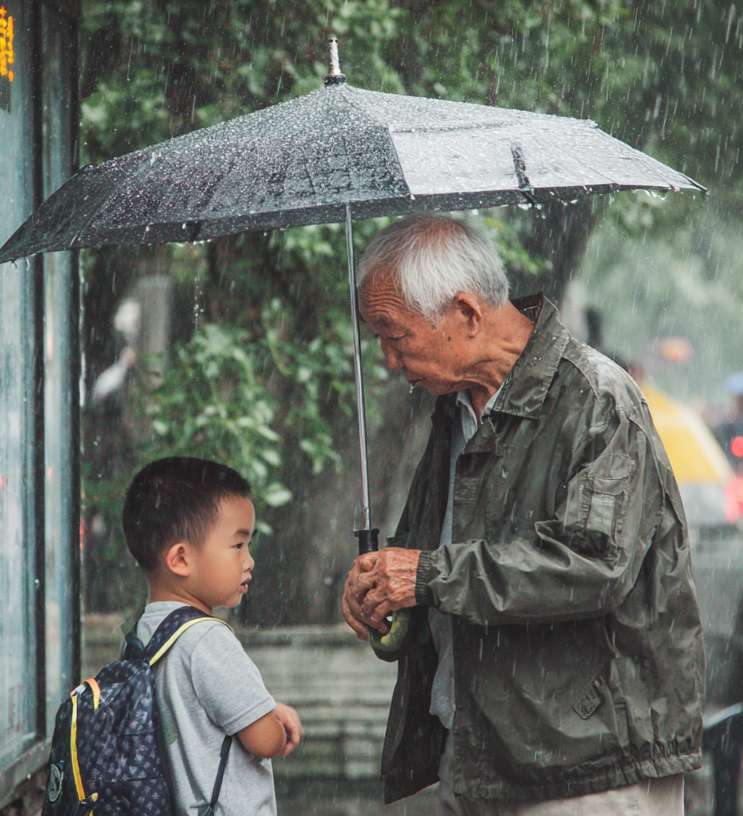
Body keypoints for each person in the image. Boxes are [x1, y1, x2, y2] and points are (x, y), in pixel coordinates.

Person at [338, 216, 704, 814]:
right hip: (476, 756)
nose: (389, 359)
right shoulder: (452, 410)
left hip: (587, 769)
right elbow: (432, 567)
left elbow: (592, 565)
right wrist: (383, 596)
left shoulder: (595, 399)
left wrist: (426, 575)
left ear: (466, 313)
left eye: (394, 335)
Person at [123, 457, 303, 815]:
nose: (249, 561)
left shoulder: (144, 633)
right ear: (180, 559)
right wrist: (277, 724)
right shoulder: (208, 641)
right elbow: (264, 740)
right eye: (238, 546)